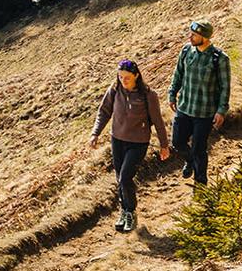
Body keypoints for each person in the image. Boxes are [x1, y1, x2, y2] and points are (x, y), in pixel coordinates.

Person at [88, 59, 170, 232]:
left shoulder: (148, 95)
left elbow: (158, 121)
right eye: (120, 77)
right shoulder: (115, 90)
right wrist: (95, 133)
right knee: (120, 178)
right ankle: (124, 211)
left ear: (137, 76)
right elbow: (104, 112)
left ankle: (131, 212)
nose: (123, 81)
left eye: (127, 78)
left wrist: (164, 145)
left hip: (138, 142)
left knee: (125, 177)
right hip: (117, 139)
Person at [167, 19, 231, 186]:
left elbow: (225, 87)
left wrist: (221, 111)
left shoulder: (219, 59)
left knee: (199, 150)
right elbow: (178, 74)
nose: (190, 37)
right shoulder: (186, 51)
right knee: (177, 143)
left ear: (205, 37)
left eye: (194, 35)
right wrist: (172, 94)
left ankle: (200, 184)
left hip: (205, 113)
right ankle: (189, 161)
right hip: (184, 108)